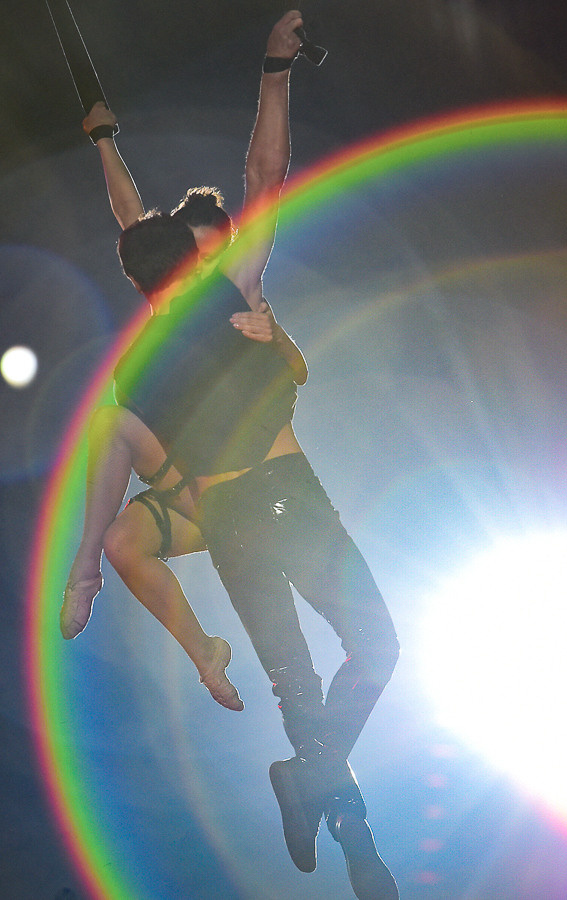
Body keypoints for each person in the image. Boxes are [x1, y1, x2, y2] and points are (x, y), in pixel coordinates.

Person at [65, 12, 401, 898]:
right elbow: (253, 179)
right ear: (189, 258)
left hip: (236, 511)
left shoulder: (180, 326)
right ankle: (337, 814)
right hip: (273, 495)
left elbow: (150, 212)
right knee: (362, 651)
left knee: (301, 693)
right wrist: (274, 69)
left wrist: (105, 138)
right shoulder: (215, 293)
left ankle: (347, 830)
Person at [61, 12, 308, 714]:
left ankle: (85, 571)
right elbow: (130, 215)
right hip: (179, 482)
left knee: (116, 424)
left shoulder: (240, 294)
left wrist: (274, 70)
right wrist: (103, 139)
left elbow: (266, 177)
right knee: (122, 540)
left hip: (234, 486)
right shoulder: (164, 299)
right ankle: (203, 651)